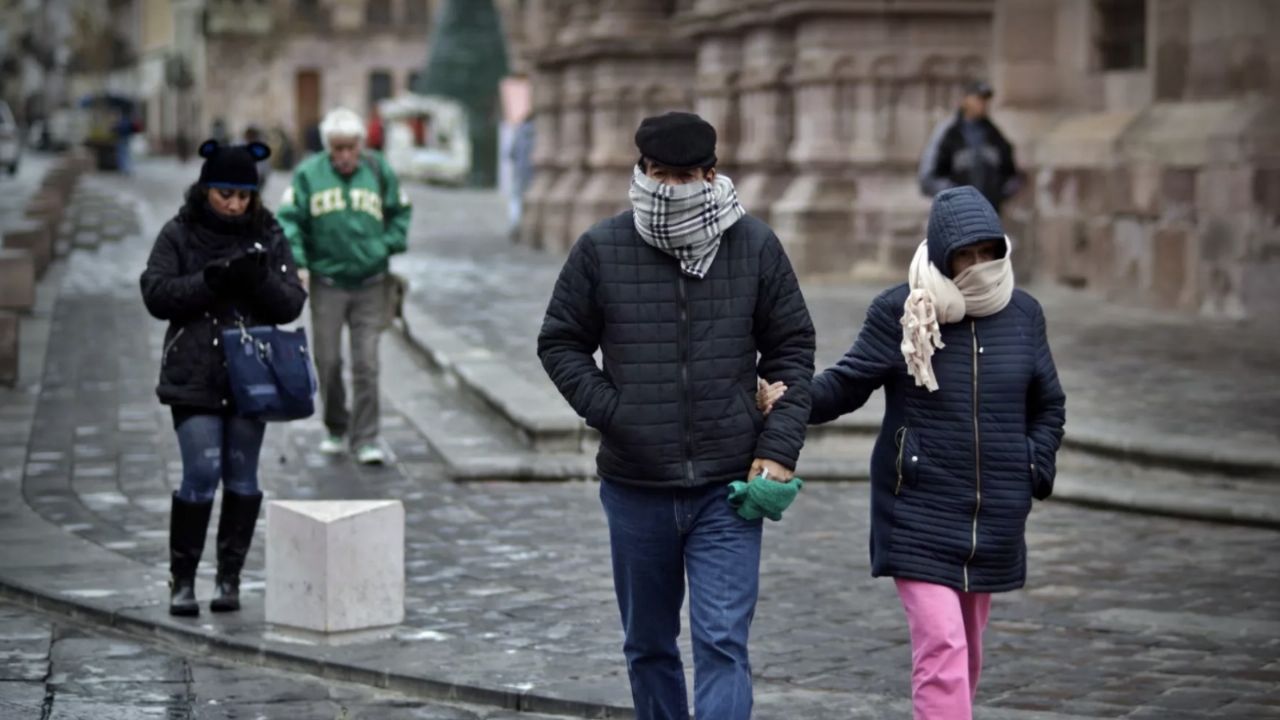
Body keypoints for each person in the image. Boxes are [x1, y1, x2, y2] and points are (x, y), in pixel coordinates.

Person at [537, 111, 815, 720]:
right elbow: (560, 341)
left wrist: (779, 446)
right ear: (640, 171)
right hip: (636, 486)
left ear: (710, 175)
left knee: (722, 642)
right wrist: (615, 411)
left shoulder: (755, 245)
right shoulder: (602, 248)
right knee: (649, 646)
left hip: (729, 485)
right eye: (660, 174)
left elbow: (793, 348)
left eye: (685, 175)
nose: (672, 189)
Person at [760, 186, 1066, 720]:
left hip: (993, 514)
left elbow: (1049, 405)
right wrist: (791, 398)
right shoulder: (901, 311)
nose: (976, 266)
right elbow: (849, 382)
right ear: (943, 255)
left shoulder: (1023, 315)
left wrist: (1032, 466)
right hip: (917, 508)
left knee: (966, 651)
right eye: (963, 256)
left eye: (986, 253)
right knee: (943, 646)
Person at [140, 139, 307, 616]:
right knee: (200, 471)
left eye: (243, 196)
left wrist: (257, 281)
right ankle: (183, 579)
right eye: (224, 194)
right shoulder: (180, 233)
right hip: (194, 371)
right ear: (206, 189)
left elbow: (292, 301)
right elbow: (155, 292)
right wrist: (210, 280)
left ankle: (229, 578)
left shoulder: (268, 233)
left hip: (251, 374)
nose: (234, 205)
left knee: (242, 475)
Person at [276, 107, 411, 465]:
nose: (345, 156)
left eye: (351, 147)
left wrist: (386, 245)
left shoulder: (378, 170)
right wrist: (300, 262)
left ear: (360, 145)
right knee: (329, 361)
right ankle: (336, 426)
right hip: (328, 283)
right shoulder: (308, 174)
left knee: (367, 363)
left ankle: (366, 437)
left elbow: (400, 212)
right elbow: (289, 220)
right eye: (338, 148)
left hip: (371, 283)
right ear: (327, 148)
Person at [918, 81, 1021, 213]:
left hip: (988, 215)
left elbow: (1012, 175)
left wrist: (998, 194)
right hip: (956, 216)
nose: (983, 104)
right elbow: (928, 178)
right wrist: (956, 196)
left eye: (985, 100)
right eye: (978, 98)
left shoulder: (994, 135)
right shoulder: (948, 133)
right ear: (966, 100)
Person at [507, 113, 535, 239]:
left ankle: (515, 226)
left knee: (516, 201)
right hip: (535, 175)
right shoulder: (540, 134)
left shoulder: (519, 132)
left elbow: (511, 153)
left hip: (519, 174)